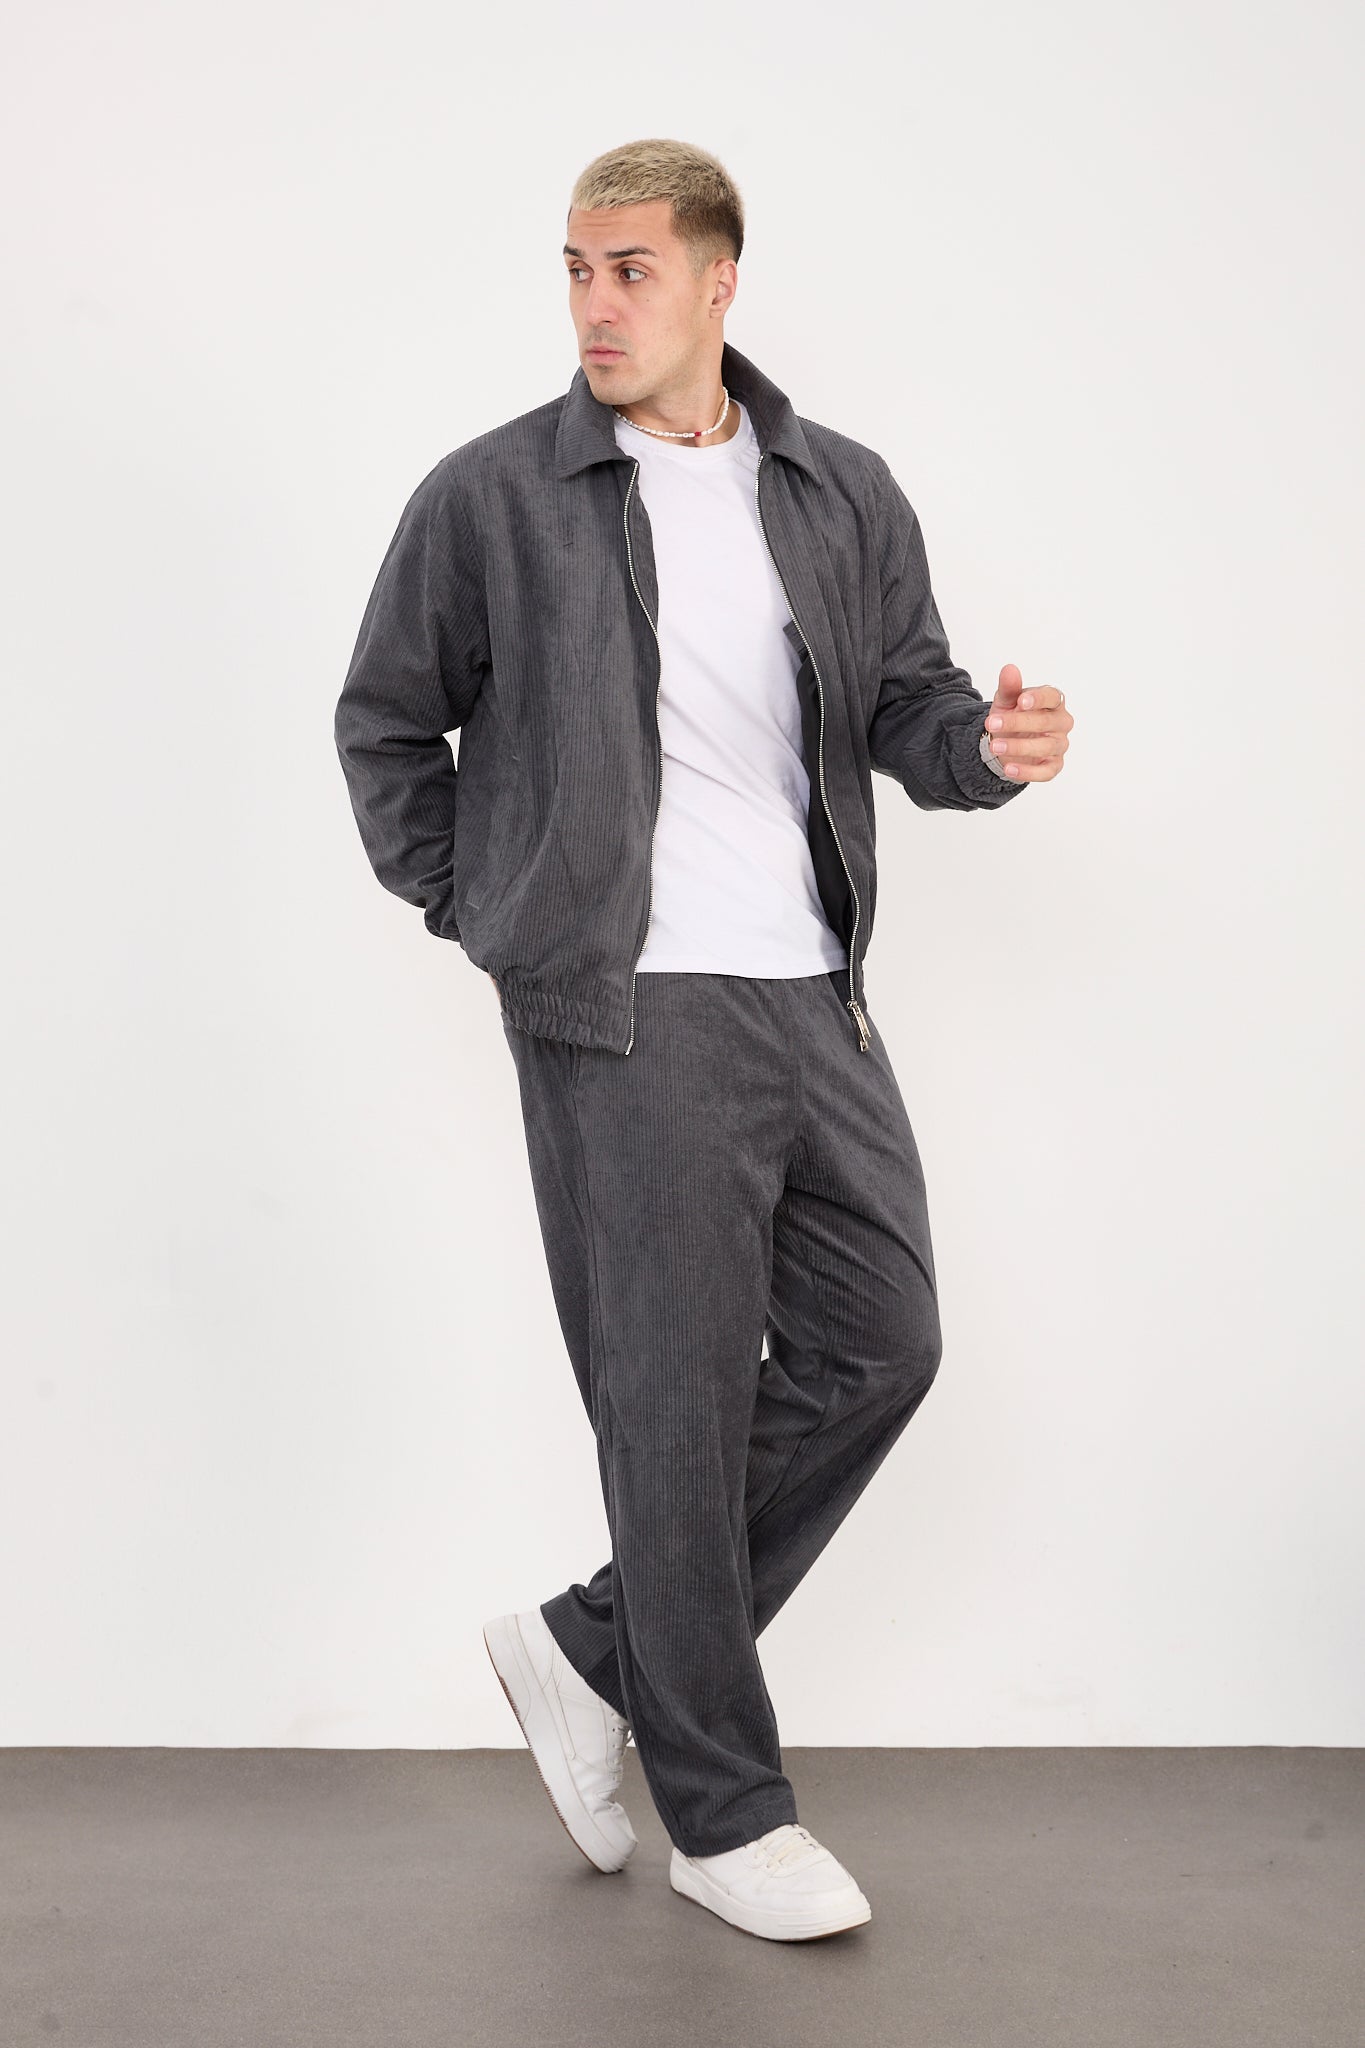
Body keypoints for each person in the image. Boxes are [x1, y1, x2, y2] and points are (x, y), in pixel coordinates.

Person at [333, 136, 1072, 1943]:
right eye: (576, 271)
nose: (595, 305)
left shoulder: (833, 488)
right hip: (622, 1005)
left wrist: (983, 750)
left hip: (812, 988)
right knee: (669, 1408)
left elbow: (904, 699)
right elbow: (386, 726)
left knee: (881, 1342)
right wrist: (492, 912)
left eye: (631, 271)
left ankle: (589, 1649)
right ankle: (725, 1816)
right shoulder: (489, 497)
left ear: (718, 282)